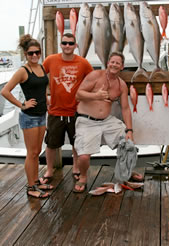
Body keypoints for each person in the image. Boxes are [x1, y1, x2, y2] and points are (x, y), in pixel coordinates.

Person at [73, 52, 143, 192]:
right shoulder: (95, 75)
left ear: (122, 66)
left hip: (106, 121)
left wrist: (129, 130)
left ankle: (126, 173)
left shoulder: (121, 85)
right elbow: (78, 94)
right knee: (84, 156)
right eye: (112, 62)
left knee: (128, 144)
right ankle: (83, 176)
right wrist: (96, 96)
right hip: (87, 121)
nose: (114, 65)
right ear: (107, 63)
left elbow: (125, 108)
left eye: (118, 63)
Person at [1, 34, 52, 198]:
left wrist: (47, 101)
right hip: (29, 117)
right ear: (25, 54)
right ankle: (30, 188)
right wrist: (22, 104)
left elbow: (43, 88)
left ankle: (36, 181)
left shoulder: (41, 67)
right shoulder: (23, 71)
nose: (35, 55)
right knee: (31, 153)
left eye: (37, 52)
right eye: (31, 53)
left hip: (41, 115)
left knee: (37, 151)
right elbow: (5, 91)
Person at [40, 33, 93, 184]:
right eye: (64, 43)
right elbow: (39, 77)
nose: (67, 46)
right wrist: (45, 97)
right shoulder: (51, 60)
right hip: (55, 111)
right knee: (51, 144)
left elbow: (93, 80)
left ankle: (76, 168)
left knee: (77, 143)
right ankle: (49, 170)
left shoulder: (83, 63)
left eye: (71, 43)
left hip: (76, 111)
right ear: (61, 45)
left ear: (76, 45)